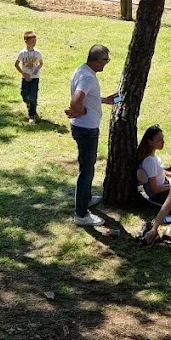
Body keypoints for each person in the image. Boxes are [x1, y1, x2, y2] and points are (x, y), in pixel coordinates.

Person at [67, 44, 117, 226]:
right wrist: (79, 111)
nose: (107, 63)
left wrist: (103, 100)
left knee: (88, 167)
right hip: (87, 130)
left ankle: (86, 198)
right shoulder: (88, 77)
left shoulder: (82, 70)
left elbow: (85, 97)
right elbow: (76, 100)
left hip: (82, 128)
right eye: (106, 60)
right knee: (86, 171)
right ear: (97, 60)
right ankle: (81, 214)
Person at [136, 125, 171, 204]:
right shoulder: (149, 161)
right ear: (150, 142)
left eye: (163, 138)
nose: (163, 141)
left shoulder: (153, 157)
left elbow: (159, 171)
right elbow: (155, 189)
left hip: (165, 186)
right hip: (160, 195)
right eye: (159, 140)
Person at [14, 30, 43, 123]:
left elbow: (41, 63)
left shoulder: (37, 52)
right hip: (25, 78)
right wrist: (23, 74)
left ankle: (32, 115)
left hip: (35, 78)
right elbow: (16, 64)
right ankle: (28, 104)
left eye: (34, 42)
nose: (33, 44)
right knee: (24, 94)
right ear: (26, 41)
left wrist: (36, 70)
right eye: (31, 42)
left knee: (33, 96)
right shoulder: (22, 53)